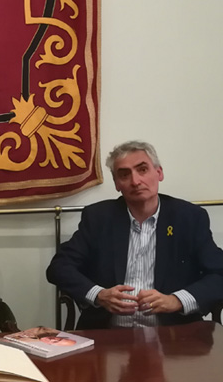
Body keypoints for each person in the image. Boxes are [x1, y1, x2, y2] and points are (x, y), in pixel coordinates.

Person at [46, 140, 223, 329]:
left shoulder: (189, 218)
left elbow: (219, 273)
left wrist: (177, 300)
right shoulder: (99, 218)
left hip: (173, 333)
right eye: (124, 174)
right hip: (107, 333)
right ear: (116, 184)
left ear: (159, 173)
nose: (135, 181)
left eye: (142, 170)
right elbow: (59, 267)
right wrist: (99, 295)